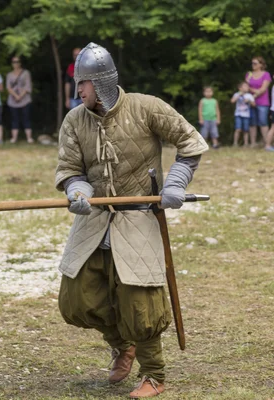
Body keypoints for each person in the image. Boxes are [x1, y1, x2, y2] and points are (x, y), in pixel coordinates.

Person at [55, 42, 208, 399]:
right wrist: (77, 189)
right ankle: (121, 345)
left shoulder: (145, 107)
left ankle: (153, 375)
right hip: (94, 220)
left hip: (138, 218)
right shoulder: (75, 120)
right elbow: (69, 168)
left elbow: (190, 142)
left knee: (141, 305)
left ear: (103, 82)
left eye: (84, 83)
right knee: (77, 300)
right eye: (78, 83)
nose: (79, 90)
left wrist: (176, 182)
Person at [245, 56, 271, 148]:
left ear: (261, 64)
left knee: (263, 122)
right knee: (252, 123)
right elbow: (245, 88)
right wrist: (252, 95)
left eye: (255, 63)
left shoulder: (266, 74)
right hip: (251, 102)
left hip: (263, 102)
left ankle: (266, 143)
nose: (253, 65)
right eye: (252, 63)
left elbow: (263, 89)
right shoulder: (249, 74)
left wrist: (253, 94)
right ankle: (253, 143)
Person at [6, 56, 33, 144]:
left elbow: (27, 86)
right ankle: (14, 138)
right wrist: (15, 96)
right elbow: (8, 87)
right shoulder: (9, 75)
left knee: (26, 118)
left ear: (20, 63)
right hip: (13, 101)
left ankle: (29, 138)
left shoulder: (26, 73)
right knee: (14, 119)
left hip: (25, 100)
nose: (15, 63)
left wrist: (20, 96)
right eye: (14, 62)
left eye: (17, 61)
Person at [231, 81, 255, 147]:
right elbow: (232, 101)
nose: (247, 88)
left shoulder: (249, 95)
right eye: (245, 86)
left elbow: (254, 105)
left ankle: (246, 143)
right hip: (238, 114)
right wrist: (239, 95)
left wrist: (249, 101)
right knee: (238, 129)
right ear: (240, 88)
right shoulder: (236, 94)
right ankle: (235, 143)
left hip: (246, 115)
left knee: (246, 130)